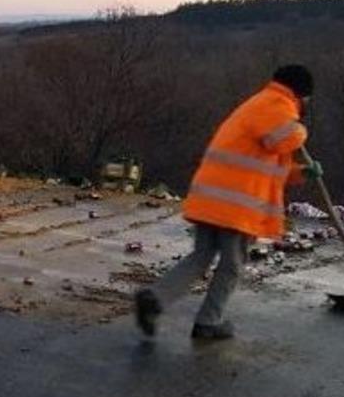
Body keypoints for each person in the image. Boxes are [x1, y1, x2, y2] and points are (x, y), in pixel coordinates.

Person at [135, 65, 320, 340]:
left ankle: (155, 299)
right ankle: (208, 322)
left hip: (212, 197)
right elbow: (284, 139)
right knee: (232, 264)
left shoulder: (260, 104)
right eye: (308, 100)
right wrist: (301, 130)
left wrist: (302, 173)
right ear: (300, 94)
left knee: (201, 256)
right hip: (235, 203)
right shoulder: (277, 105)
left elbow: (268, 163)